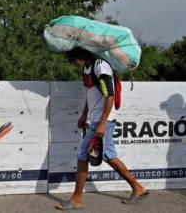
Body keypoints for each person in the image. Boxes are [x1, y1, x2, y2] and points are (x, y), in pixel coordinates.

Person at [56, 47, 149, 211]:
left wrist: (102, 122)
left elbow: (110, 95)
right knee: (108, 155)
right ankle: (138, 188)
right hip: (95, 119)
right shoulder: (87, 68)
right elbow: (90, 93)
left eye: (73, 60)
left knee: (83, 155)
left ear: (80, 57)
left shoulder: (100, 66)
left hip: (103, 119)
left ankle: (77, 199)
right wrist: (85, 115)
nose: (73, 64)